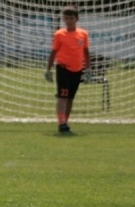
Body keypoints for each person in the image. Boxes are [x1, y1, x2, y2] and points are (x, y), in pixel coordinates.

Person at [45, 5, 90, 133]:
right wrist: (48, 69)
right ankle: (62, 122)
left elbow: (86, 52)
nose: (69, 21)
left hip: (78, 69)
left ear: (77, 19)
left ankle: (65, 121)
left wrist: (88, 70)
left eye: (71, 18)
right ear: (63, 19)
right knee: (62, 96)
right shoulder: (59, 34)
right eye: (66, 18)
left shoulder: (83, 34)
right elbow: (53, 52)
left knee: (70, 98)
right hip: (63, 68)